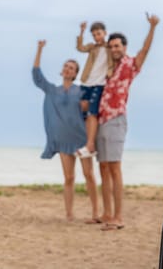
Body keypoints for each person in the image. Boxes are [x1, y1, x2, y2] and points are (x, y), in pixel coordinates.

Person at [96, 13, 160, 231]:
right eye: (111, 46)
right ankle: (106, 213)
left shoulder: (130, 65)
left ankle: (118, 216)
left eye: (117, 46)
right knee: (103, 168)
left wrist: (152, 27)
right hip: (102, 120)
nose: (114, 49)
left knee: (114, 168)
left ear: (123, 47)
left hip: (116, 120)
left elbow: (145, 50)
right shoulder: (106, 69)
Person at [32, 40, 100, 223]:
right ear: (62, 71)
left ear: (76, 73)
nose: (68, 69)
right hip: (63, 141)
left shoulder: (81, 91)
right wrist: (39, 49)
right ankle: (69, 213)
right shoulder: (53, 90)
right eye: (66, 66)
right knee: (69, 177)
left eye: (71, 67)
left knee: (89, 175)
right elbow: (37, 76)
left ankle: (95, 212)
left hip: (82, 138)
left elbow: (90, 109)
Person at [75, 21, 113, 159]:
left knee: (92, 113)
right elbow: (80, 47)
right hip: (87, 81)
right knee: (82, 111)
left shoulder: (110, 47)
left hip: (100, 83)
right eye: (94, 35)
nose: (97, 37)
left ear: (105, 33)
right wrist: (81, 32)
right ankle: (87, 143)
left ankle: (91, 145)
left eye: (99, 33)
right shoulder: (92, 47)